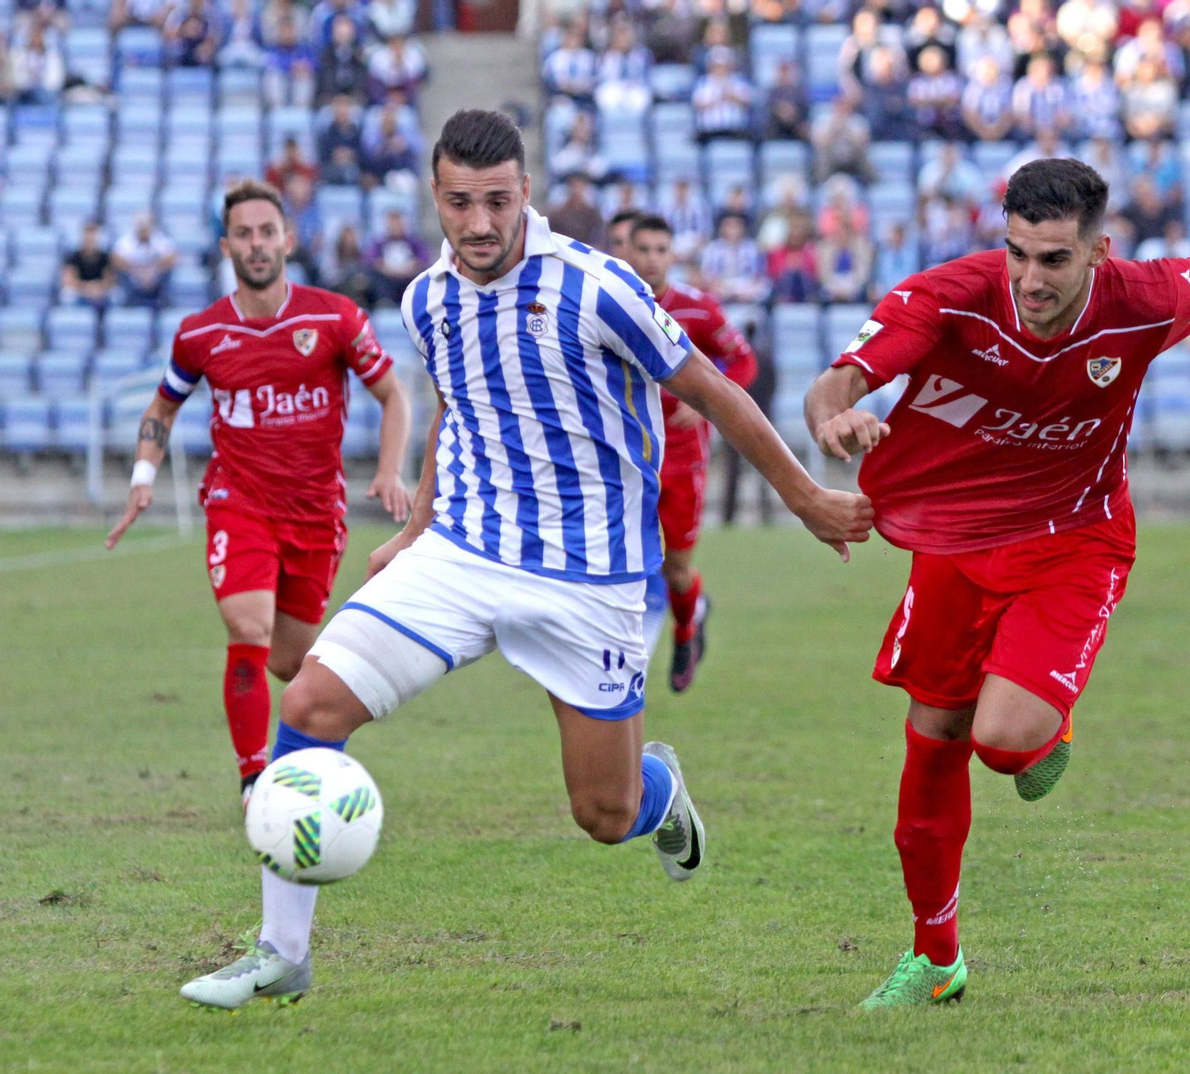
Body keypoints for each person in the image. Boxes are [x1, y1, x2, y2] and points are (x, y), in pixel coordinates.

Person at [176, 110, 871, 1009]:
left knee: (604, 813)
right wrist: (418, 527)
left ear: (526, 195)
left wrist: (807, 498)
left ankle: (663, 799)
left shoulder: (597, 285)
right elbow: (458, 413)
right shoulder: (427, 299)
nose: (478, 223)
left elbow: (709, 386)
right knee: (308, 700)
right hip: (463, 554)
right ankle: (282, 951)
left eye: (497, 201)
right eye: (460, 202)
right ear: (436, 197)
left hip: (591, 578)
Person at [803, 157, 1190, 1008]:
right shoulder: (949, 295)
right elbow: (837, 383)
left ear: (1099, 251)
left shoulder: (1145, 299)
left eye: (1054, 260)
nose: (1031, 279)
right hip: (957, 542)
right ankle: (936, 957)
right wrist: (835, 420)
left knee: (1003, 742)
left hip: (1075, 539)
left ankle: (1051, 717)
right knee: (932, 742)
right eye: (1018, 254)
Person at [105, 180, 412, 810]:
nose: (256, 244)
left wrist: (389, 471)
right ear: (227, 246)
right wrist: (143, 477)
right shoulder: (200, 334)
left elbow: (394, 395)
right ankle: (254, 781)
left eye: (266, 231)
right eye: (243, 234)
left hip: (313, 514)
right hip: (238, 501)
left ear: (287, 240)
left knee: (291, 664)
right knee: (247, 624)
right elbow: (162, 406)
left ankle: (312, 754)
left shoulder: (333, 317)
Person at [628, 214, 760, 689]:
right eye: (642, 249)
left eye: (660, 250)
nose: (651, 259)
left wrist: (707, 404)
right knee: (620, 557)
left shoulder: (697, 309)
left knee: (676, 568)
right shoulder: (610, 305)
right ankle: (617, 663)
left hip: (682, 458)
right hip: (625, 456)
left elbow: (744, 360)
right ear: (628, 252)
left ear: (672, 255)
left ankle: (687, 626)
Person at [111, 215, 178, 308]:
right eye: (141, 227)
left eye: (146, 227)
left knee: (169, 271)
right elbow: (116, 259)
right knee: (120, 272)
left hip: (155, 279)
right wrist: (136, 271)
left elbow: (172, 257)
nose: (144, 231)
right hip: (134, 279)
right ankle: (129, 301)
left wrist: (153, 270)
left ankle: (163, 301)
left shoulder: (159, 238)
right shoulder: (127, 240)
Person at [60, 222, 117, 310]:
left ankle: (107, 320)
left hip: (100, 291)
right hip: (80, 290)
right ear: (82, 238)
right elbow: (68, 280)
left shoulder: (104, 257)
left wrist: (98, 287)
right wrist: (86, 288)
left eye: (93, 238)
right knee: (67, 295)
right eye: (88, 238)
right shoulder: (73, 257)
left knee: (116, 294)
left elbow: (110, 280)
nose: (90, 241)